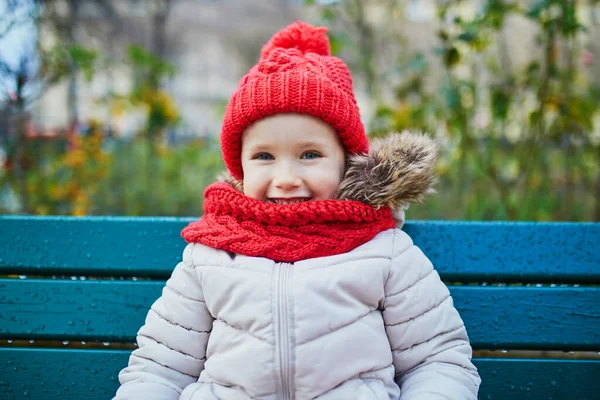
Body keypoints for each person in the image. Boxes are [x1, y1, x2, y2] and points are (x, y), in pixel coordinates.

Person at [114, 21, 481, 400]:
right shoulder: (210, 255)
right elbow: (161, 367)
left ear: (346, 162)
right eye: (264, 156)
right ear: (240, 165)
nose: (286, 177)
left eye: (310, 155)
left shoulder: (383, 250)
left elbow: (437, 361)